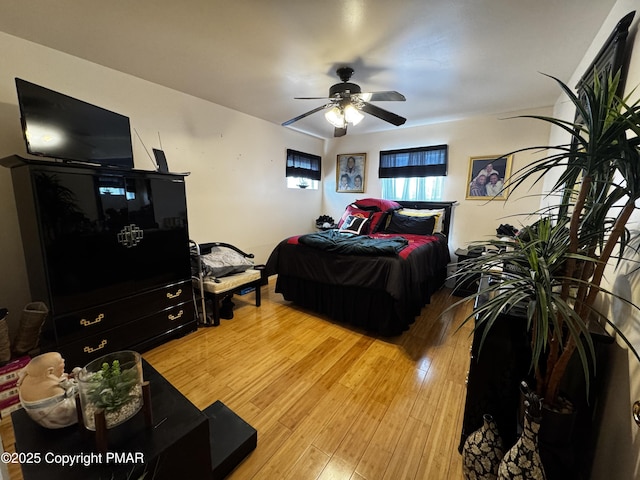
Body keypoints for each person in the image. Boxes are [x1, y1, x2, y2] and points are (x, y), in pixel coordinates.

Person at [17, 352, 80, 428]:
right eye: (60, 361)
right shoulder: (53, 388)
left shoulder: (28, 376)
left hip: (33, 410)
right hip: (54, 417)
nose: (63, 360)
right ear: (49, 371)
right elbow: (69, 403)